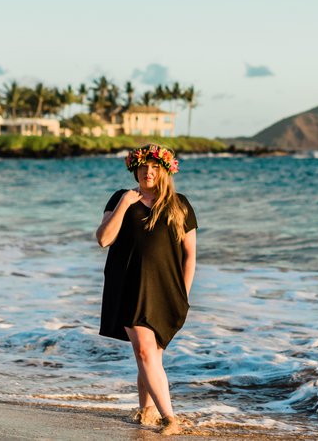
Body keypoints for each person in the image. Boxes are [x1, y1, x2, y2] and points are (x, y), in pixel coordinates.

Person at [95, 143, 198, 436]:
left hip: (167, 290)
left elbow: (190, 255)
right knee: (143, 350)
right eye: (143, 167)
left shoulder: (180, 204)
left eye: (154, 167)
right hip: (129, 286)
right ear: (135, 169)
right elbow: (103, 239)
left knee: (151, 356)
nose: (148, 172)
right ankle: (170, 419)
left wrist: (183, 295)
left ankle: (146, 411)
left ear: (165, 171)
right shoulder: (121, 198)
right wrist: (125, 203)